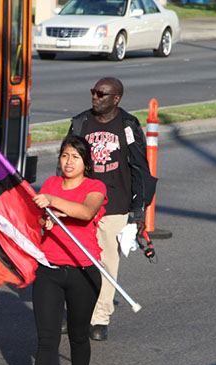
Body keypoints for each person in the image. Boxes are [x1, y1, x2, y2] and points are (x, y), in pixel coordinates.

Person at [23, 136, 107, 365]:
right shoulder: (49, 184)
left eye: (75, 157)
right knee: (47, 338)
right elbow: (38, 218)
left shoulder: (95, 187)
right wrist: (44, 220)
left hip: (84, 271)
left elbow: (85, 213)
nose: (68, 161)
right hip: (49, 269)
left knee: (78, 333)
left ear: (86, 163)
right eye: (64, 155)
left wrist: (54, 204)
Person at [67, 77, 156, 341]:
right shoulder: (80, 122)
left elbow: (141, 169)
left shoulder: (127, 125)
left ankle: (100, 318)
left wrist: (139, 213)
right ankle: (76, 314)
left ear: (116, 99)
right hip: (80, 206)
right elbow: (67, 160)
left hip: (114, 207)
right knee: (75, 263)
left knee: (105, 264)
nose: (95, 97)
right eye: (94, 92)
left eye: (102, 94)